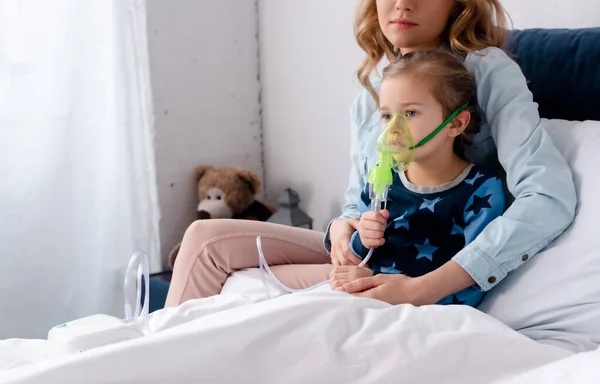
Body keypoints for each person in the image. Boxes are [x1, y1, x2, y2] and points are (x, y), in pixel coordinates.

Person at [165, 0, 576, 308]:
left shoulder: (487, 71)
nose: (401, 3)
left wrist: (421, 288)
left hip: (421, 254)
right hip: (376, 244)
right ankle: (163, 352)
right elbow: (358, 201)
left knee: (244, 276)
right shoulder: (372, 93)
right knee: (205, 239)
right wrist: (342, 229)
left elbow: (548, 197)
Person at [342, 49, 505, 308]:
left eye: (410, 114)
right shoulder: (382, 181)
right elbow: (360, 257)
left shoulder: (481, 191)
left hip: (431, 313)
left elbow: (474, 274)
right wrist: (362, 238)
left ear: (456, 124)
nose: (393, 130)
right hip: (368, 302)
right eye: (386, 116)